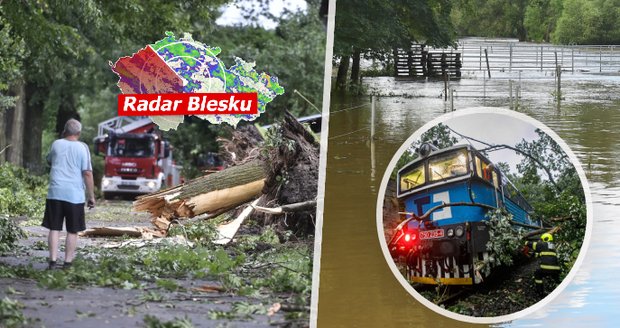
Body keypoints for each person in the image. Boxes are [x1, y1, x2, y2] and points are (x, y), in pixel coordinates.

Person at [42, 119, 95, 269]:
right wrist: (91, 196)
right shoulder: (83, 148)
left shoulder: (56, 144)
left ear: (64, 131)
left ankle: (52, 261)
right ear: (79, 133)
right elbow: (87, 173)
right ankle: (67, 263)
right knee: (73, 230)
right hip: (74, 196)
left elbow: (49, 161)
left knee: (54, 228)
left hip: (55, 193)